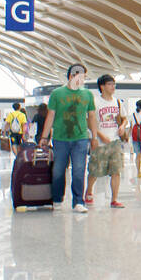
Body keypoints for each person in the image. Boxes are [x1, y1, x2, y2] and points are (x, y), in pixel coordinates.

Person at [38, 64, 95, 212]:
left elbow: (92, 116)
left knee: (79, 170)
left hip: (81, 138)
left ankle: (78, 201)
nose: (82, 79)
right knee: (58, 170)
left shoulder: (87, 94)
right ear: (71, 76)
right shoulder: (57, 93)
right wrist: (44, 137)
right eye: (79, 75)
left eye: (84, 76)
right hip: (60, 138)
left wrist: (94, 136)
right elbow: (50, 115)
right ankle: (57, 198)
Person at [87, 74, 127, 208]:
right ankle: (89, 191)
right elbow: (89, 121)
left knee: (116, 171)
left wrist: (122, 126)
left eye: (114, 84)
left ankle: (114, 199)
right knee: (95, 171)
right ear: (102, 86)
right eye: (110, 84)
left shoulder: (117, 102)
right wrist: (98, 135)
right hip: (100, 142)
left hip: (115, 141)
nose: (113, 87)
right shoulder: (95, 102)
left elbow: (124, 118)